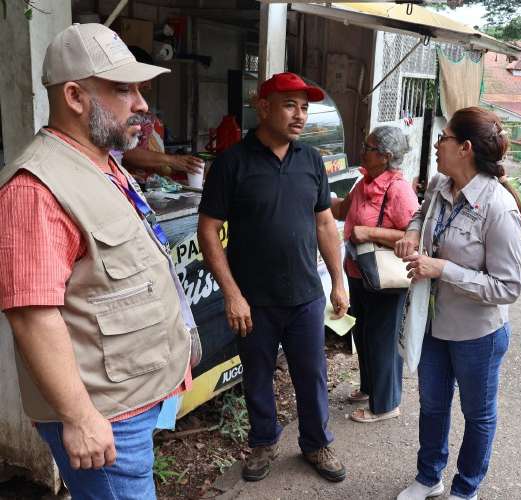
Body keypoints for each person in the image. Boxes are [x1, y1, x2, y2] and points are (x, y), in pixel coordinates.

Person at [0, 23, 194, 499]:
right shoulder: (35, 189)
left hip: (129, 399)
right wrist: (81, 417)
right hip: (105, 415)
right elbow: (32, 318)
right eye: (124, 89)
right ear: (74, 96)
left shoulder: (103, 163)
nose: (142, 104)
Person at [197, 72, 349, 483]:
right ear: (263, 107)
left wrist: (337, 280)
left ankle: (316, 443)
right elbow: (208, 229)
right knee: (258, 376)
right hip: (253, 299)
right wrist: (231, 294)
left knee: (311, 374)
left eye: (304, 107)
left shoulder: (311, 161)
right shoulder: (233, 162)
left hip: (304, 295)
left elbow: (323, 224)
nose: (299, 115)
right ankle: (263, 442)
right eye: (289, 105)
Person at [395, 107, 521, 500]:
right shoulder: (440, 183)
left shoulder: (499, 208)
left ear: (465, 148)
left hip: (477, 334)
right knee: (432, 406)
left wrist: (442, 269)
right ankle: (428, 476)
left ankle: (465, 488)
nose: (436, 144)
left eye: (444, 137)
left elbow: (508, 287)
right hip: (434, 324)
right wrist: (412, 232)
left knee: (478, 415)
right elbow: (421, 213)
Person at [331, 126, 419, 423]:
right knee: (365, 334)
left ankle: (386, 404)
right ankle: (370, 388)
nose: (362, 151)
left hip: (386, 277)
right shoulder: (364, 182)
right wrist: (315, 192)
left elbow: (414, 235)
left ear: (385, 156)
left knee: (383, 338)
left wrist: (370, 232)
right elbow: (342, 210)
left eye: (368, 148)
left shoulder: (398, 190)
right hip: (360, 272)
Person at [119, 46, 204, 179]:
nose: (149, 86)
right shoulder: (116, 113)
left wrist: (179, 166)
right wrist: (172, 160)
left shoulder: (148, 117)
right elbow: (124, 152)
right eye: (145, 79)